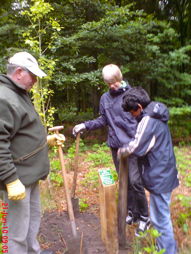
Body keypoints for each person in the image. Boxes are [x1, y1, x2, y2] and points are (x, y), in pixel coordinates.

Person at [0, 51, 65, 254]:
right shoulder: (4, 98)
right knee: (15, 233)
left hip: (30, 176)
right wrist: (10, 179)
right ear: (19, 72)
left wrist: (46, 141)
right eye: (33, 76)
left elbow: (19, 135)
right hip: (17, 180)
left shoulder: (19, 93)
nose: (35, 81)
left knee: (31, 224)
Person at [72, 64, 149, 235]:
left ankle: (144, 217)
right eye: (109, 83)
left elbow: (144, 119)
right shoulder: (105, 99)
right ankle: (132, 213)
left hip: (133, 145)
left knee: (136, 182)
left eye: (115, 82)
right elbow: (103, 120)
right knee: (124, 182)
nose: (112, 86)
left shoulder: (133, 95)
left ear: (120, 79)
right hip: (116, 146)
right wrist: (84, 125)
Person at [118, 87, 179, 254]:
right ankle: (167, 247)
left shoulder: (148, 120)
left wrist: (122, 151)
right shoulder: (156, 112)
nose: (132, 115)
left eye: (132, 112)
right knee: (161, 214)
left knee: (160, 219)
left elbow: (137, 146)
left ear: (139, 106)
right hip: (164, 171)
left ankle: (168, 251)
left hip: (160, 176)